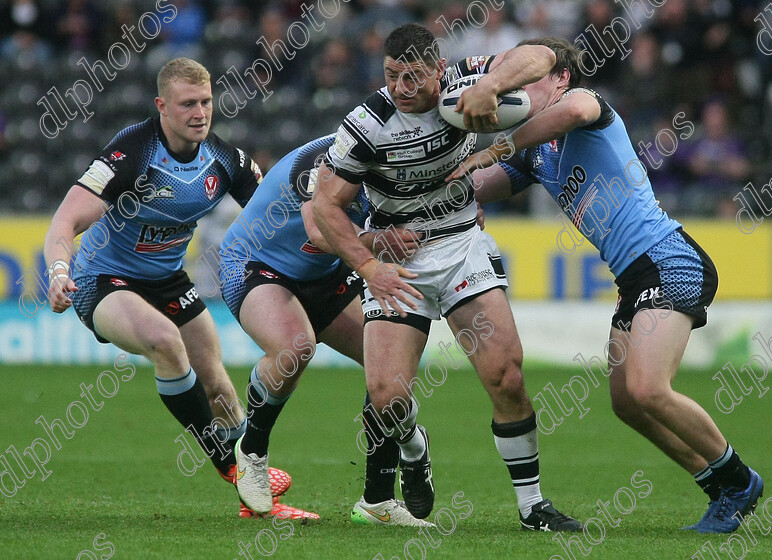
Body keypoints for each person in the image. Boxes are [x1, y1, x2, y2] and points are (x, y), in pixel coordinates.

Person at [448, 37, 763, 534]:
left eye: (533, 81)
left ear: (561, 78)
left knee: (648, 387)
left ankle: (740, 479)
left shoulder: (588, 108)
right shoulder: (534, 154)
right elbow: (470, 187)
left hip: (667, 258)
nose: (523, 91)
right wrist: (446, 180)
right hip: (633, 277)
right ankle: (722, 488)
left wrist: (498, 147)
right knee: (626, 402)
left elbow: (574, 109)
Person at [307, 23, 583, 532]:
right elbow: (325, 207)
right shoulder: (365, 126)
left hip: (461, 246)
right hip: (399, 264)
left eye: (414, 76)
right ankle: (415, 447)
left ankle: (532, 507)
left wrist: (491, 86)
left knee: (507, 375)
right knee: (387, 398)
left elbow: (541, 56)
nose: (402, 87)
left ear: (438, 71)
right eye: (392, 75)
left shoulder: (463, 84)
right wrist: (369, 264)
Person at [43, 57, 293, 517]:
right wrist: (60, 272)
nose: (200, 113)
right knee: (165, 342)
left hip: (169, 279)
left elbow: (278, 213)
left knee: (219, 385)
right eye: (187, 104)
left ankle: (257, 498)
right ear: (162, 106)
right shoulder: (131, 153)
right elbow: (64, 220)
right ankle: (231, 467)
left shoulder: (226, 160)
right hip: (105, 279)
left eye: (206, 102)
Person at [221, 133, 432, 526]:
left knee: (388, 371)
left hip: (327, 271)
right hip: (255, 263)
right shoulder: (324, 161)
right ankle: (251, 453)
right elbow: (320, 232)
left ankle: (380, 499)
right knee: (294, 348)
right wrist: (380, 241)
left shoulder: (409, 159)